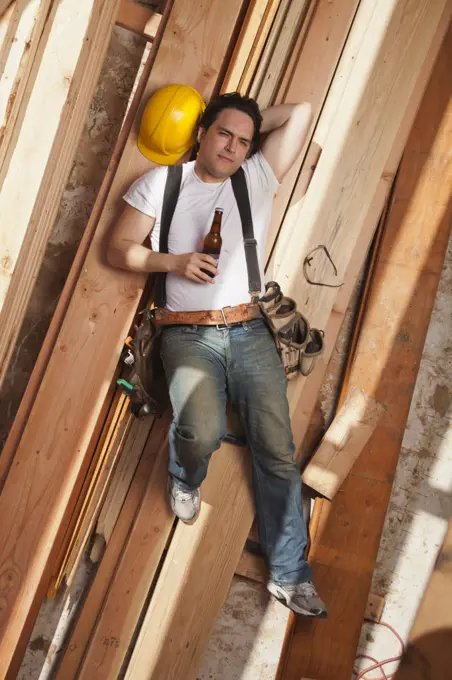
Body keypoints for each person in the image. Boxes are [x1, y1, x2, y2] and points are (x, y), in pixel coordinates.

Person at [107, 91, 327, 618]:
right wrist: (175, 263)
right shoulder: (162, 183)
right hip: (186, 333)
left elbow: (300, 112)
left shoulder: (255, 178)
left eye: (244, 141)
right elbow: (117, 249)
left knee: (277, 451)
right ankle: (185, 475)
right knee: (199, 431)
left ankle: (290, 575)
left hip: (250, 329)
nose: (232, 147)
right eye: (223, 133)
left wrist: (247, 120)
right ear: (202, 132)